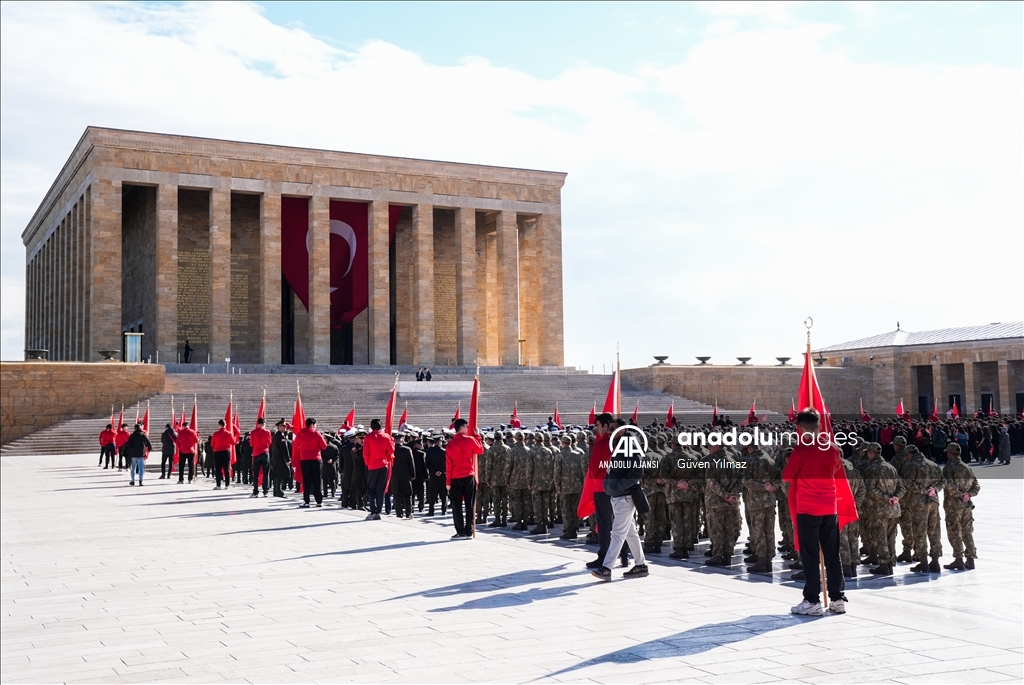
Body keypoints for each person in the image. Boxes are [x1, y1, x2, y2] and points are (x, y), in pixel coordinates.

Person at [782, 409, 853, 616]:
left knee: (810, 556)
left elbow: (787, 476)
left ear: (801, 428)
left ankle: (812, 599)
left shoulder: (801, 450)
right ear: (820, 425)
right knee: (832, 554)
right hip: (830, 507)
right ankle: (838, 598)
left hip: (808, 507)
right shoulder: (833, 449)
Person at [591, 425, 648, 581]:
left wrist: (617, 486)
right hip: (618, 496)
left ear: (622, 431)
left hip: (625, 497)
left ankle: (607, 568)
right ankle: (641, 565)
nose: (609, 432)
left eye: (612, 429)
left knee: (617, 534)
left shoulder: (629, 446)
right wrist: (608, 486)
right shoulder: (621, 446)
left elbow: (637, 472)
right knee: (630, 533)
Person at [941, 443, 980, 570]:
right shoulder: (967, 467)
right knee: (967, 532)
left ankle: (958, 558)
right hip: (967, 505)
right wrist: (968, 495)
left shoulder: (948, 468)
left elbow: (949, 485)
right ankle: (970, 558)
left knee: (954, 532)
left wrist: (960, 495)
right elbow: (976, 485)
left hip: (953, 506)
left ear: (950, 453)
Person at [446, 418, 483, 539]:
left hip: (455, 477)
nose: (468, 428)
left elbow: (448, 464)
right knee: (470, 504)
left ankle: (460, 531)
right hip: (468, 476)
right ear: (461, 428)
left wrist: (448, 481)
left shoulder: (450, 444)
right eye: (466, 426)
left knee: (457, 506)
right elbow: (480, 450)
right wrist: (478, 436)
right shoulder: (471, 440)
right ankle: (469, 531)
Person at [363, 419, 394, 520]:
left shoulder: (368, 437)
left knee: (371, 490)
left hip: (372, 466)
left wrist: (368, 464)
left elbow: (365, 453)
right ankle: (379, 511)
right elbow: (391, 452)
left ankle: (373, 510)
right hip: (383, 465)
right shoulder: (386, 436)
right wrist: (387, 461)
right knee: (380, 490)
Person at [293, 417, 328, 508]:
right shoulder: (317, 433)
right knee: (317, 480)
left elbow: (295, 444)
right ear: (312, 425)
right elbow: (324, 446)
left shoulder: (300, 434)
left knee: (306, 481)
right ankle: (319, 501)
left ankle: (307, 501)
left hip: (304, 459)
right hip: (316, 459)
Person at [391, 434, 417, 518]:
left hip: (394, 475)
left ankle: (399, 513)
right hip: (406, 475)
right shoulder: (407, 449)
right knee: (407, 495)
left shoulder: (392, 450)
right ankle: (408, 513)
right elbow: (411, 463)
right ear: (402, 440)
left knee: (397, 495)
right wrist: (413, 474)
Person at [249, 417, 272, 498]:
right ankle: (266, 491)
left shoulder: (253, 432)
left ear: (258, 424)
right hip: (265, 452)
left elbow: (251, 444)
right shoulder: (267, 432)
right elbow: (269, 442)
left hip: (256, 453)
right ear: (264, 424)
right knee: (266, 473)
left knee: (256, 473)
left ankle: (255, 491)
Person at [209, 419, 236, 489]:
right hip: (226, 452)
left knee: (218, 469)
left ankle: (218, 485)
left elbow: (212, 444)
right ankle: (227, 485)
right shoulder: (229, 433)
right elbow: (233, 442)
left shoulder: (215, 434)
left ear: (219, 425)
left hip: (218, 452)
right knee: (227, 469)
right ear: (225, 425)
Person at [425, 435, 447, 516]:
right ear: (440, 442)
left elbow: (427, 464)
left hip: (433, 475)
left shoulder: (429, 451)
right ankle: (444, 510)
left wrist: (434, 471)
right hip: (443, 475)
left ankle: (431, 510)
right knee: (443, 493)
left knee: (432, 493)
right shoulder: (445, 451)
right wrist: (441, 471)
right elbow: (447, 464)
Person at [270, 419, 291, 498]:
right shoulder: (281, 436)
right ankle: (279, 492)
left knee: (277, 475)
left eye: (285, 426)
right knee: (281, 475)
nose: (285, 428)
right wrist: (287, 459)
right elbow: (284, 449)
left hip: (275, 458)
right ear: (279, 427)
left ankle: (276, 491)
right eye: (283, 426)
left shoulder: (276, 435)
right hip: (280, 459)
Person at [175, 420, 199, 484]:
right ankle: (190, 479)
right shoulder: (193, 432)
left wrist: (180, 447)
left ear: (183, 426)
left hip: (182, 450)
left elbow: (177, 442)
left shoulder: (181, 432)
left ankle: (181, 479)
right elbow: (196, 441)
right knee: (190, 465)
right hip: (191, 450)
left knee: (181, 466)